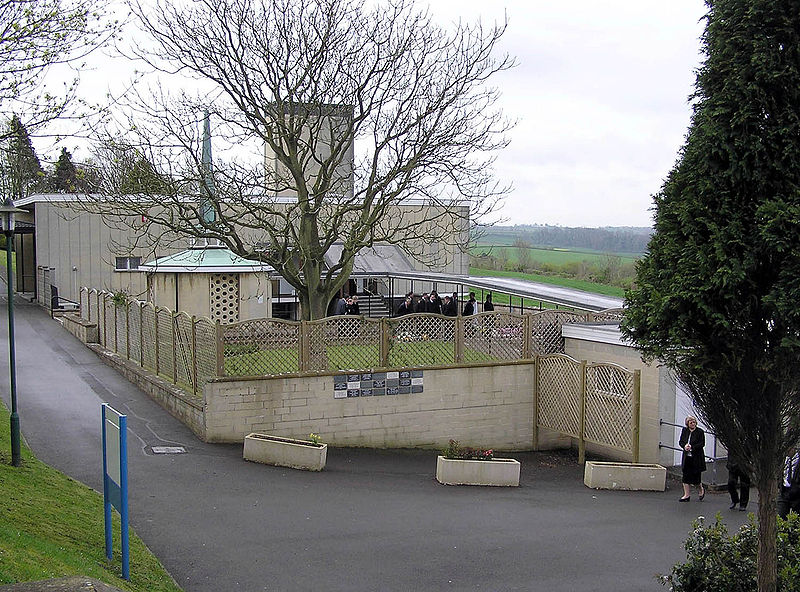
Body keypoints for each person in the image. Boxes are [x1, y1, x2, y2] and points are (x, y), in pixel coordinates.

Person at [678, 415, 706, 502]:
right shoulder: (685, 430)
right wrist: (684, 446)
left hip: (696, 457)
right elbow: (681, 441)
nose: (693, 424)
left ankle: (701, 489)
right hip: (687, 457)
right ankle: (686, 495)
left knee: (696, 478)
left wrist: (692, 447)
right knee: (685, 476)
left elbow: (702, 443)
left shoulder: (700, 432)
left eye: (694, 422)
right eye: (691, 422)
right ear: (687, 424)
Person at [778, 447, 800, 519]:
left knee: (796, 520)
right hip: (784, 492)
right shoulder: (783, 459)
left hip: (797, 494)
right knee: (780, 516)